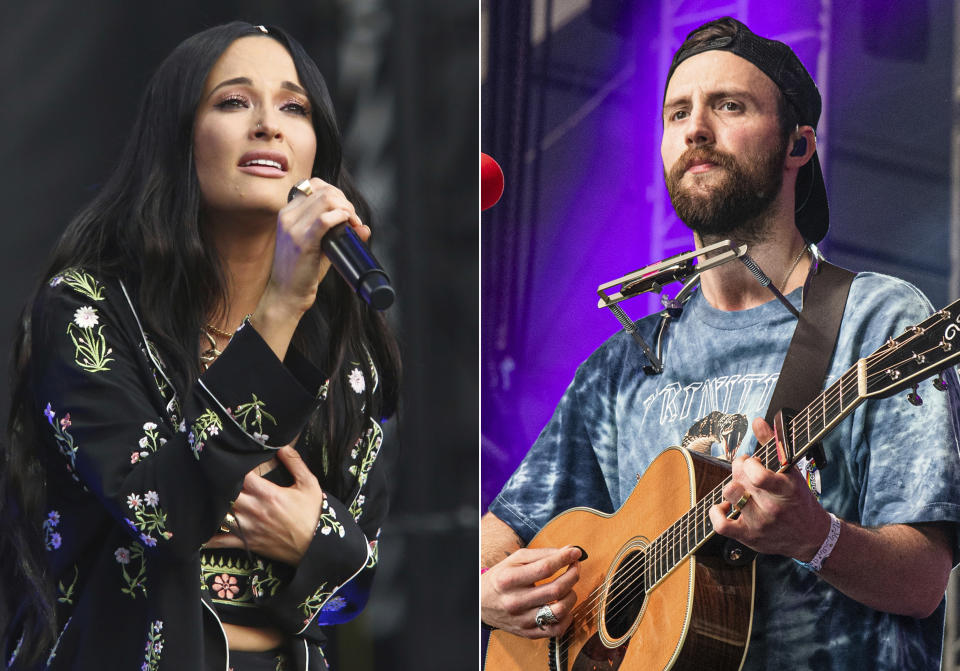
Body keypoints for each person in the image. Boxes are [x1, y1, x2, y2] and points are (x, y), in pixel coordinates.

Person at [481, 16, 960, 669]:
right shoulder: (624, 364)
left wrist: (815, 537)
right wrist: (484, 592)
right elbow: (496, 536)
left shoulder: (876, 320)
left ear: (798, 145)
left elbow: (923, 582)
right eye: (677, 113)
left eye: (728, 106)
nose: (695, 128)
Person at [0, 21, 400, 671]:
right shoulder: (88, 313)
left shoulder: (343, 349)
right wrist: (279, 308)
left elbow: (357, 582)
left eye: (294, 107)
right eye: (234, 101)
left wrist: (310, 536)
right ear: (179, 136)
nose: (268, 123)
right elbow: (164, 513)